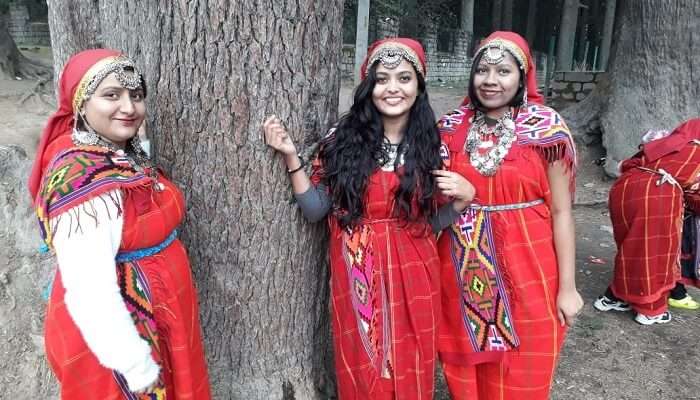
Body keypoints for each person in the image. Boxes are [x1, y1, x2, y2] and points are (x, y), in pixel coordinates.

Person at [263, 38, 472, 399]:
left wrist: (460, 203)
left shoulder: (431, 148)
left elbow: (430, 225)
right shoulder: (343, 143)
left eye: (404, 78)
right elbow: (315, 210)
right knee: (366, 362)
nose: (393, 88)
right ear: (369, 86)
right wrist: (290, 157)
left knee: (413, 358)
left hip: (416, 270)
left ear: (418, 87)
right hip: (358, 267)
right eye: (383, 78)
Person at [29, 49, 211, 398]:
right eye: (111, 95)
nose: (129, 107)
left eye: (136, 95)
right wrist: (134, 364)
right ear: (82, 103)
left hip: (160, 311)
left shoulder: (119, 152)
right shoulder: (81, 179)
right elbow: (88, 289)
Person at [433, 31, 583, 399]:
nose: (490, 80)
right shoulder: (450, 128)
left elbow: (562, 212)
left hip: (529, 262)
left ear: (522, 76)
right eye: (482, 70)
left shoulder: (547, 130)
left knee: (529, 357)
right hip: (464, 260)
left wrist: (568, 287)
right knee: (469, 359)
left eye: (503, 71)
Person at [594, 118, 700, 325]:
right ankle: (651, 310)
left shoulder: (667, 142)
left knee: (632, 251)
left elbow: (627, 164)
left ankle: (612, 298)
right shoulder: (696, 153)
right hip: (655, 194)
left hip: (623, 190)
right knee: (654, 256)